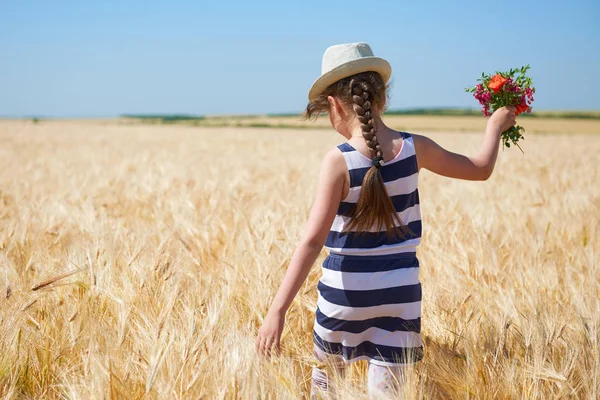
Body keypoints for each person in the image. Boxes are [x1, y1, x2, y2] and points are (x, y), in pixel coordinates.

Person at [255, 42, 516, 399]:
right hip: (400, 295)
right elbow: (481, 168)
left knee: (326, 390)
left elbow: (312, 242)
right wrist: (495, 126)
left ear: (334, 105)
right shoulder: (415, 147)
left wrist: (277, 310)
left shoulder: (338, 161)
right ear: (382, 99)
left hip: (343, 297)